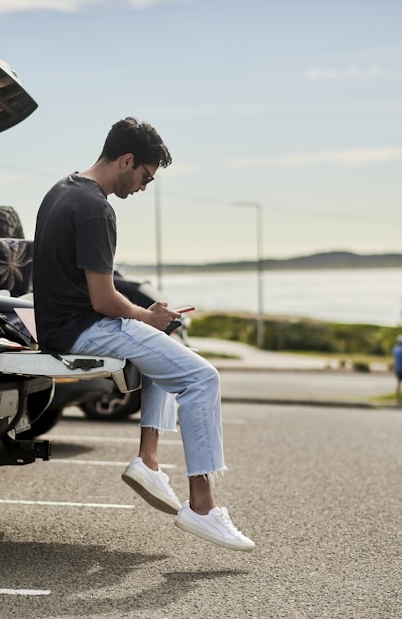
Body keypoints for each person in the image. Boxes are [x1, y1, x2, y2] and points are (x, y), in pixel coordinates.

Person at [31, 117, 254, 551]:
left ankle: (148, 459)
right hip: (83, 329)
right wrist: (145, 316)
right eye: (145, 177)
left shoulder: (60, 190)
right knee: (203, 378)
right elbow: (103, 299)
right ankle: (203, 507)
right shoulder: (97, 208)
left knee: (163, 352)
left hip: (61, 325)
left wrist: (146, 321)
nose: (143, 188)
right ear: (126, 160)